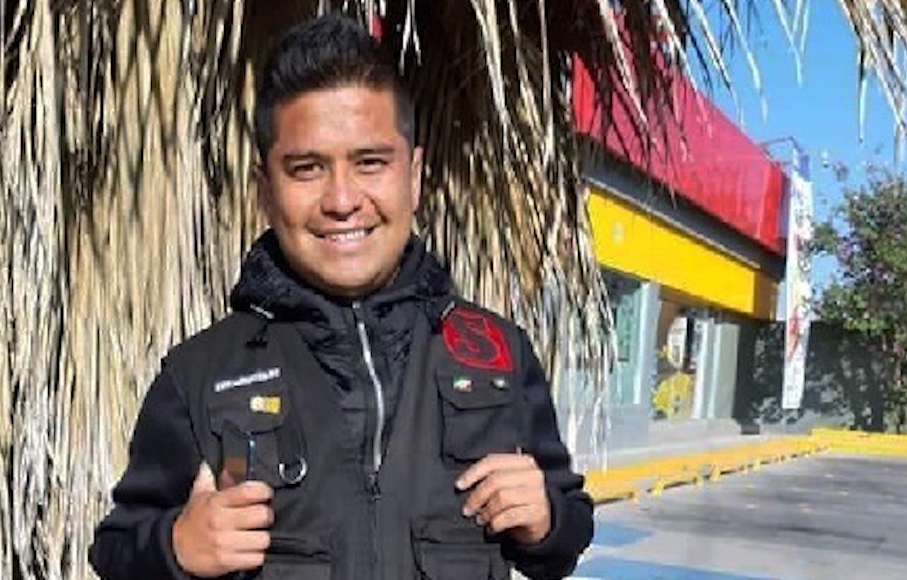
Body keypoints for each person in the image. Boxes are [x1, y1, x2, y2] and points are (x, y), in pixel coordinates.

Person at [89, 13, 593, 580]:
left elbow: (567, 534)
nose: (343, 200)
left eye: (370, 163)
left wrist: (547, 520)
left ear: (414, 175)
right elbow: (117, 549)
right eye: (307, 169)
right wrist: (176, 547)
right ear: (265, 190)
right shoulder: (199, 374)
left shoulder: (498, 352)